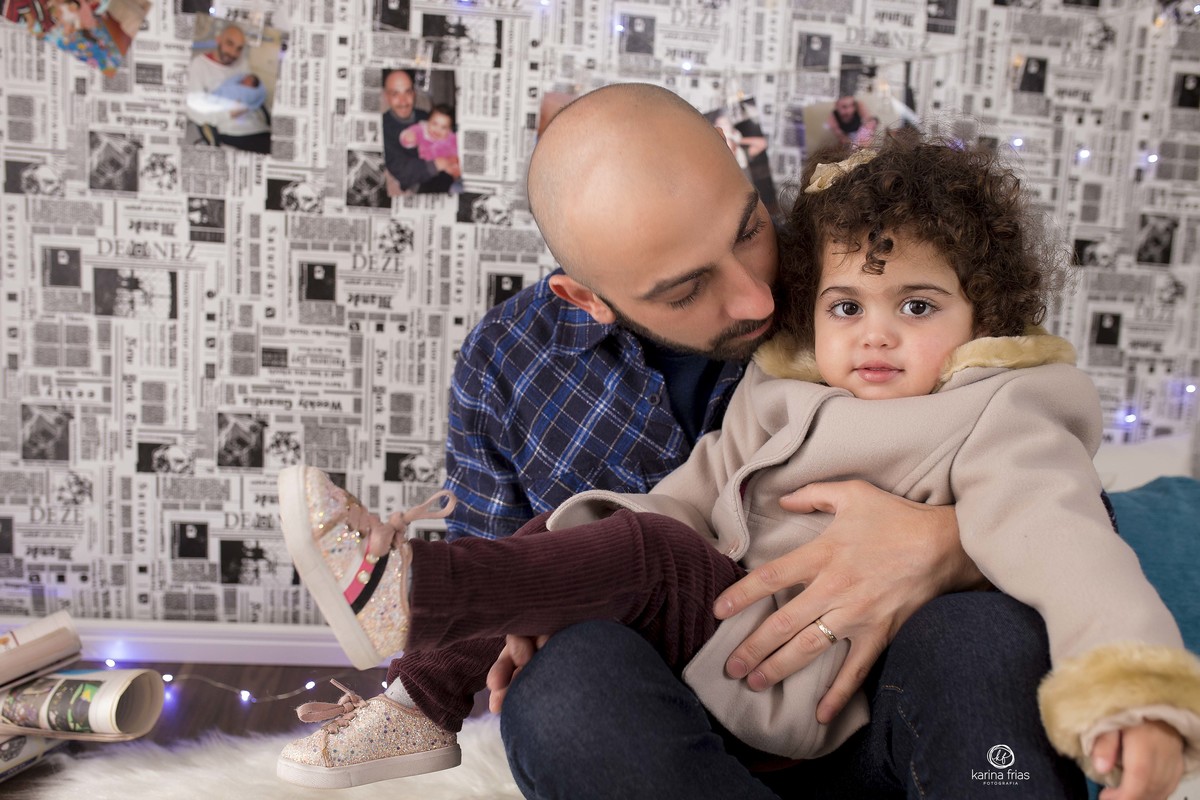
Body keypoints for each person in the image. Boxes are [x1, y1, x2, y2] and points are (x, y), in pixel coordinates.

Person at [276, 132, 1199, 798]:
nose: (872, 333)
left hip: (861, 703)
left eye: (918, 307)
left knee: (983, 634)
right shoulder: (763, 385)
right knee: (577, 612)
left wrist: (1136, 697)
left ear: (981, 316)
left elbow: (1069, 544)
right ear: (585, 297)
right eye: (847, 307)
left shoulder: (996, 405)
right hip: (709, 686)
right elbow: (684, 501)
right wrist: (555, 579)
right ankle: (420, 677)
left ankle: (417, 601)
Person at [185, 23, 271, 153]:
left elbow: (253, 91)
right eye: (230, 44)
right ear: (218, 40)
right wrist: (229, 113)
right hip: (232, 131)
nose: (233, 53)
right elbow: (194, 111)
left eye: (239, 48)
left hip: (258, 125)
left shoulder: (242, 62)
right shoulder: (199, 65)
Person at [381, 69, 460, 194]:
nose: (403, 101)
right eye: (395, 94)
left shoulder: (422, 115)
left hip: (450, 169)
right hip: (424, 183)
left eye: (408, 92)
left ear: (413, 94)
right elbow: (402, 171)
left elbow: (446, 131)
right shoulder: (384, 127)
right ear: (387, 97)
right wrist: (439, 163)